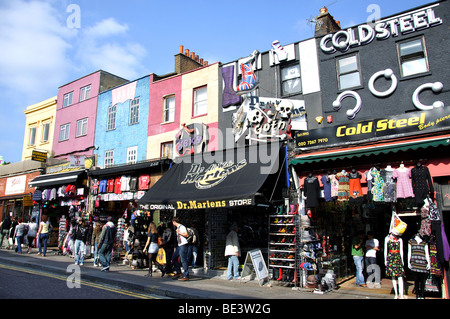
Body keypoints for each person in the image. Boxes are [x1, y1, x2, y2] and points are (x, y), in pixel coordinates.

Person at [408, 233, 430, 299]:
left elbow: (426, 253)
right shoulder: (411, 242)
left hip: (422, 263)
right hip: (414, 263)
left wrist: (428, 263)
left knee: (422, 281)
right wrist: (409, 262)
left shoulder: (424, 242)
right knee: (416, 280)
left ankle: (422, 294)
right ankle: (418, 294)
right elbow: (409, 252)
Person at [384, 233, 406, 299]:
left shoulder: (399, 239)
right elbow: (386, 250)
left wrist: (402, 260)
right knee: (393, 276)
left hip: (397, 257)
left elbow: (401, 250)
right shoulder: (387, 239)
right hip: (390, 257)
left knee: (400, 276)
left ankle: (401, 294)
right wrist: (385, 260)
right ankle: (396, 294)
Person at [172, 217, 189, 281]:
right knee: (174, 258)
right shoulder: (178, 228)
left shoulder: (182, 227)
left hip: (183, 245)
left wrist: (179, 233)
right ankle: (178, 271)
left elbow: (186, 234)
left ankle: (186, 275)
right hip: (179, 245)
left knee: (183, 260)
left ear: (174, 222)